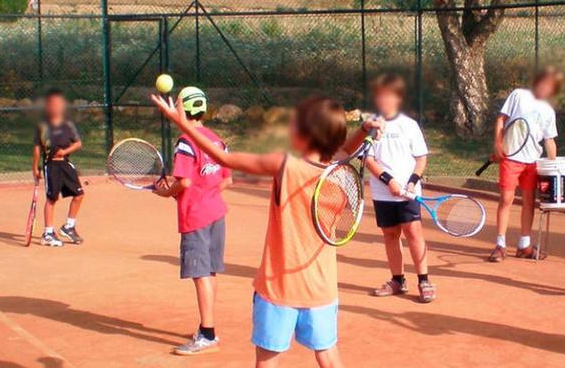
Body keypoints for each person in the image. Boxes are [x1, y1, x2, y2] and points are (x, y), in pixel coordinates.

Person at [151, 92, 381, 368]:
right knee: (329, 357)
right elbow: (345, 150)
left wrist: (184, 125)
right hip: (321, 288)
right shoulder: (339, 173)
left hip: (278, 288)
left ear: (305, 135)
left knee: (267, 361)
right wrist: (364, 129)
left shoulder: (285, 165)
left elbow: (225, 159)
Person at [152, 87, 233, 356]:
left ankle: (208, 334)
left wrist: (165, 192)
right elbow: (227, 180)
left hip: (196, 217)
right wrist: (205, 194)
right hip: (217, 214)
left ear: (183, 109)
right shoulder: (217, 141)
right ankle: (207, 327)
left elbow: (184, 182)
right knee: (209, 273)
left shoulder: (186, 142)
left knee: (200, 275)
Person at [364, 74, 434, 302]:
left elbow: (421, 159)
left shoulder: (409, 126)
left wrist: (411, 182)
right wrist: (389, 181)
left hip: (409, 193)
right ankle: (397, 280)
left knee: (413, 232)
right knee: (390, 234)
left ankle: (424, 280)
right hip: (383, 193)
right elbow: (368, 160)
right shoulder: (373, 125)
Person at [488, 67, 561, 263]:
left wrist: (553, 169)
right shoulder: (518, 95)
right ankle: (500, 245)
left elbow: (549, 141)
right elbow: (501, 120)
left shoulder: (548, 110)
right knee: (506, 199)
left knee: (529, 201)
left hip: (532, 163)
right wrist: (497, 144)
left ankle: (524, 245)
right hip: (510, 159)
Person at [32, 88, 85, 247]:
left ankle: (69, 227)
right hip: (51, 166)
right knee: (52, 199)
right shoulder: (42, 126)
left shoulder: (68, 125)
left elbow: (78, 143)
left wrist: (65, 151)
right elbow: (36, 148)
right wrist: (35, 168)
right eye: (52, 104)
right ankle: (48, 233)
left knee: (79, 194)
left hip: (65, 164)